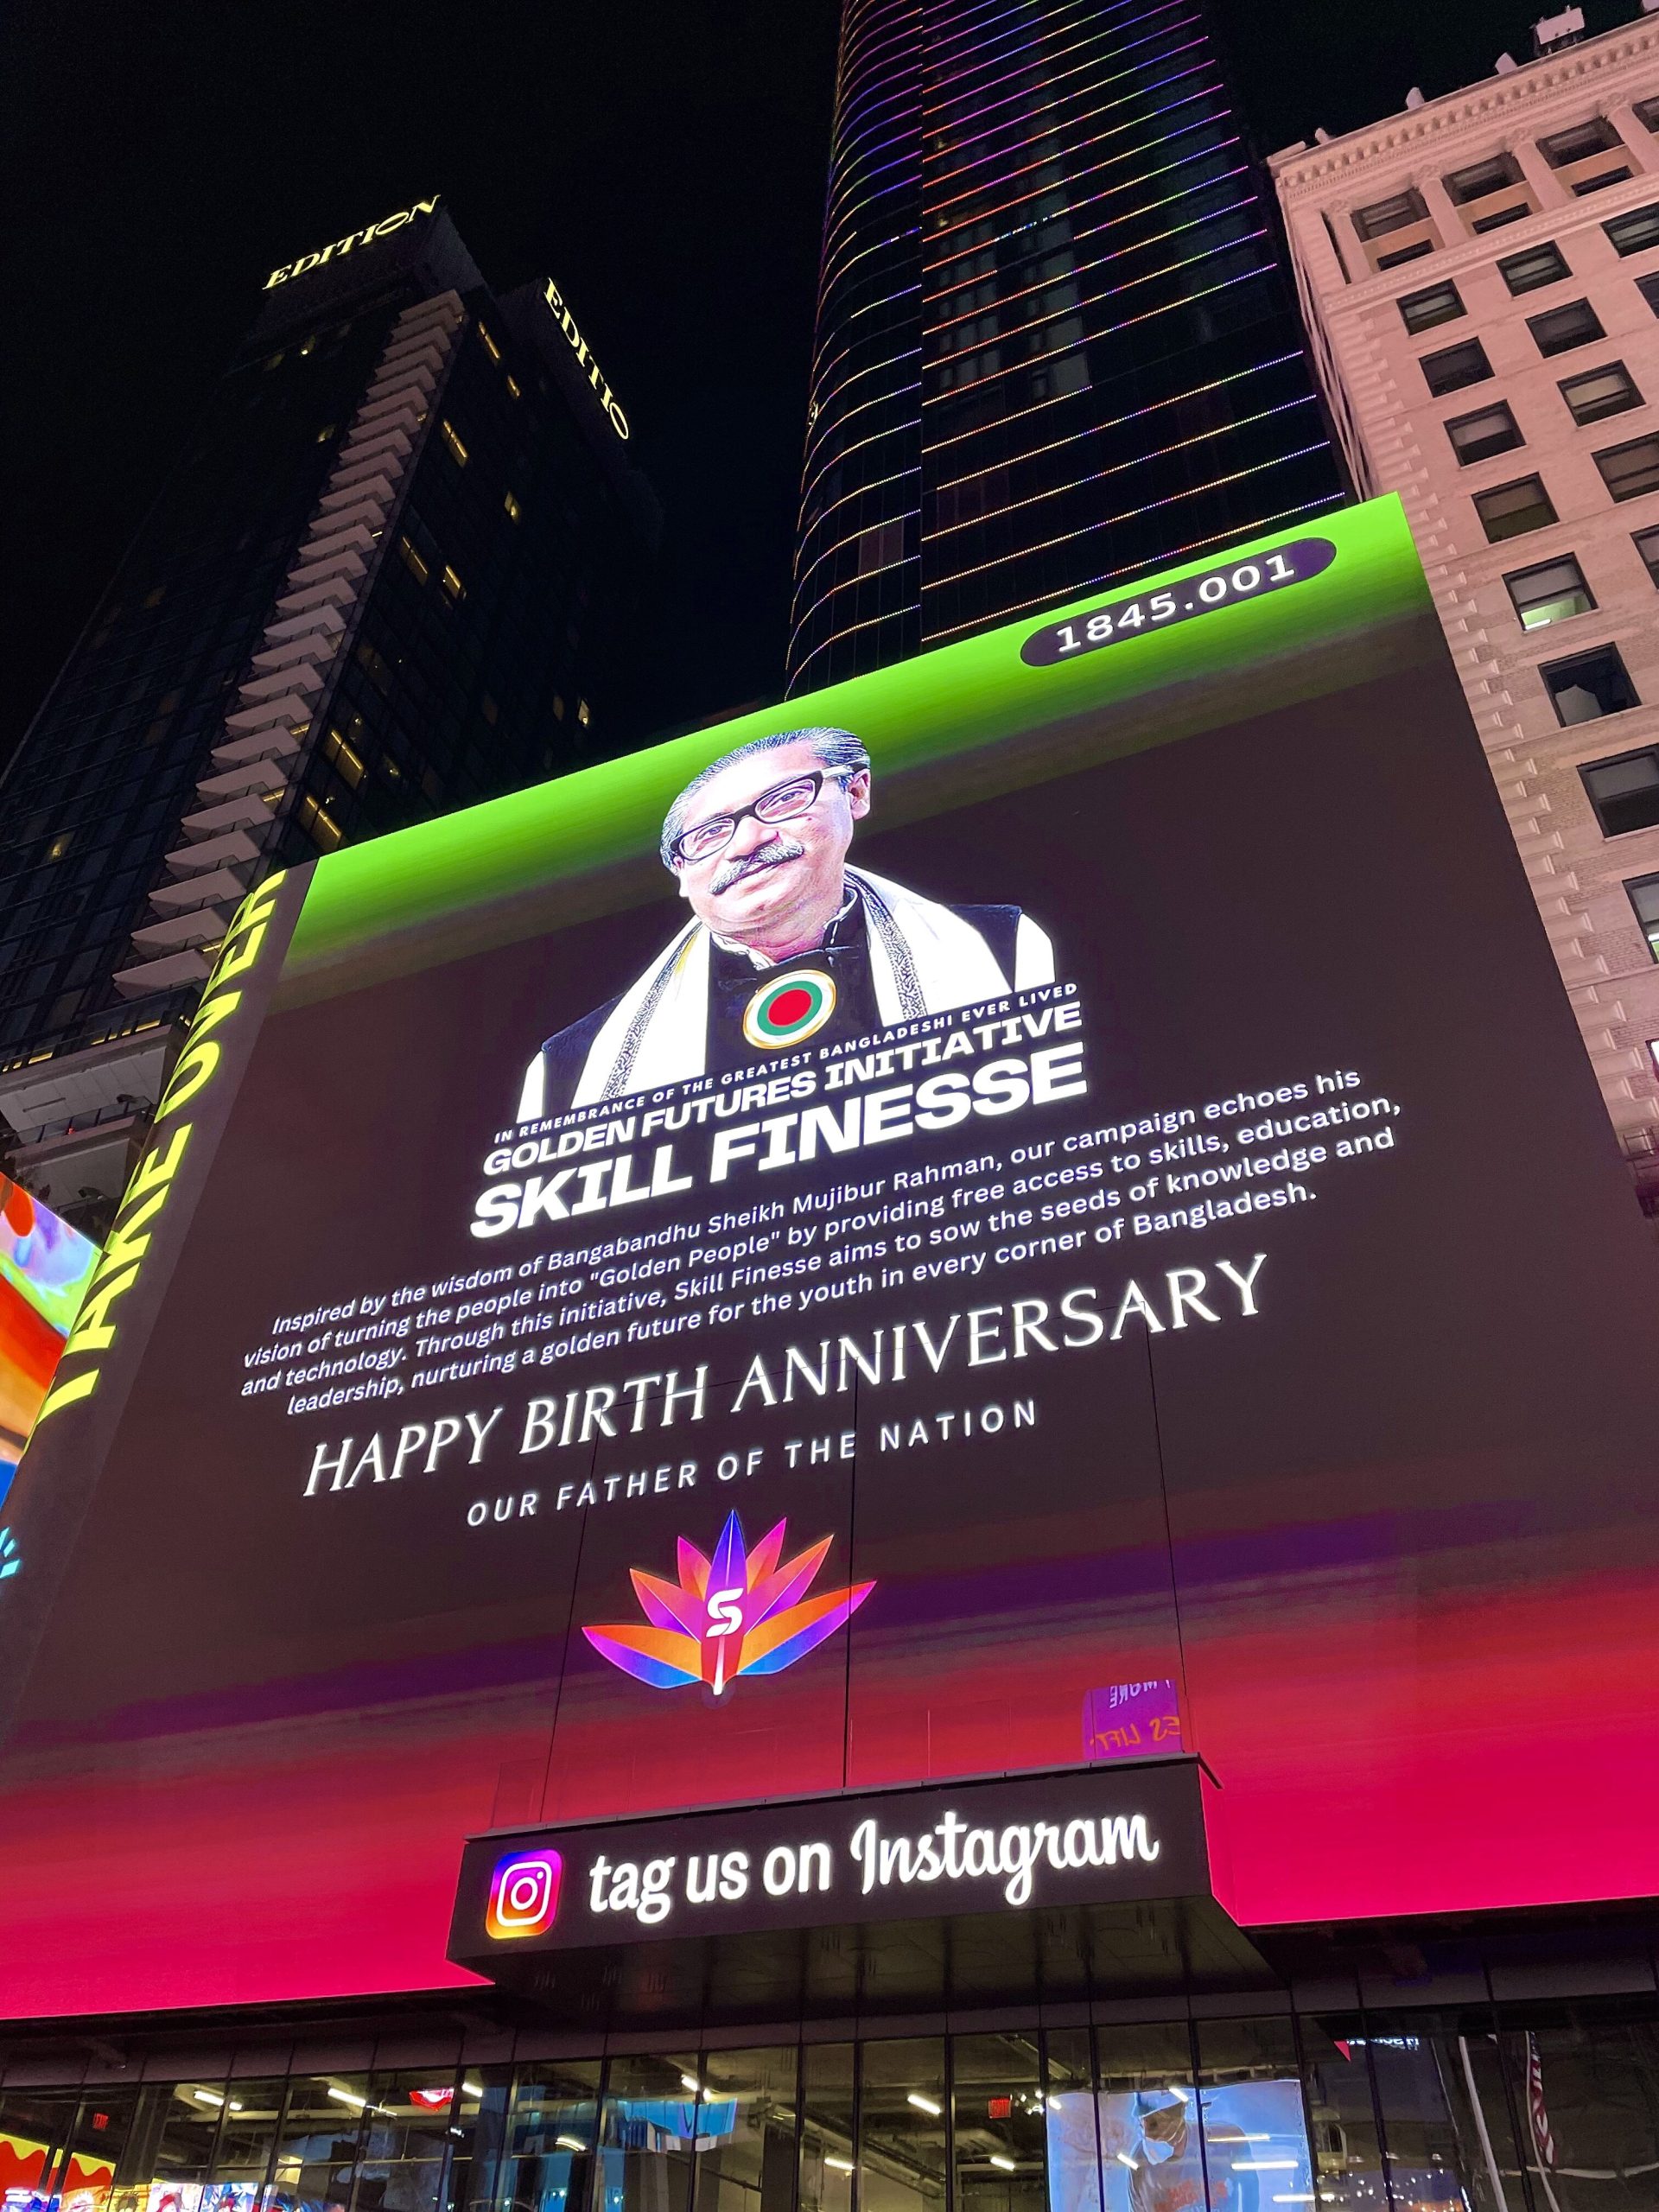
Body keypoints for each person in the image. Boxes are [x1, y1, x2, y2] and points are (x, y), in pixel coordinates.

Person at [517, 726, 1055, 1120]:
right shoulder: (571, 1064)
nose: (747, 842)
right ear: (680, 874)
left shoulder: (1003, 947)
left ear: (856, 793)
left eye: (783, 800)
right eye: (709, 834)